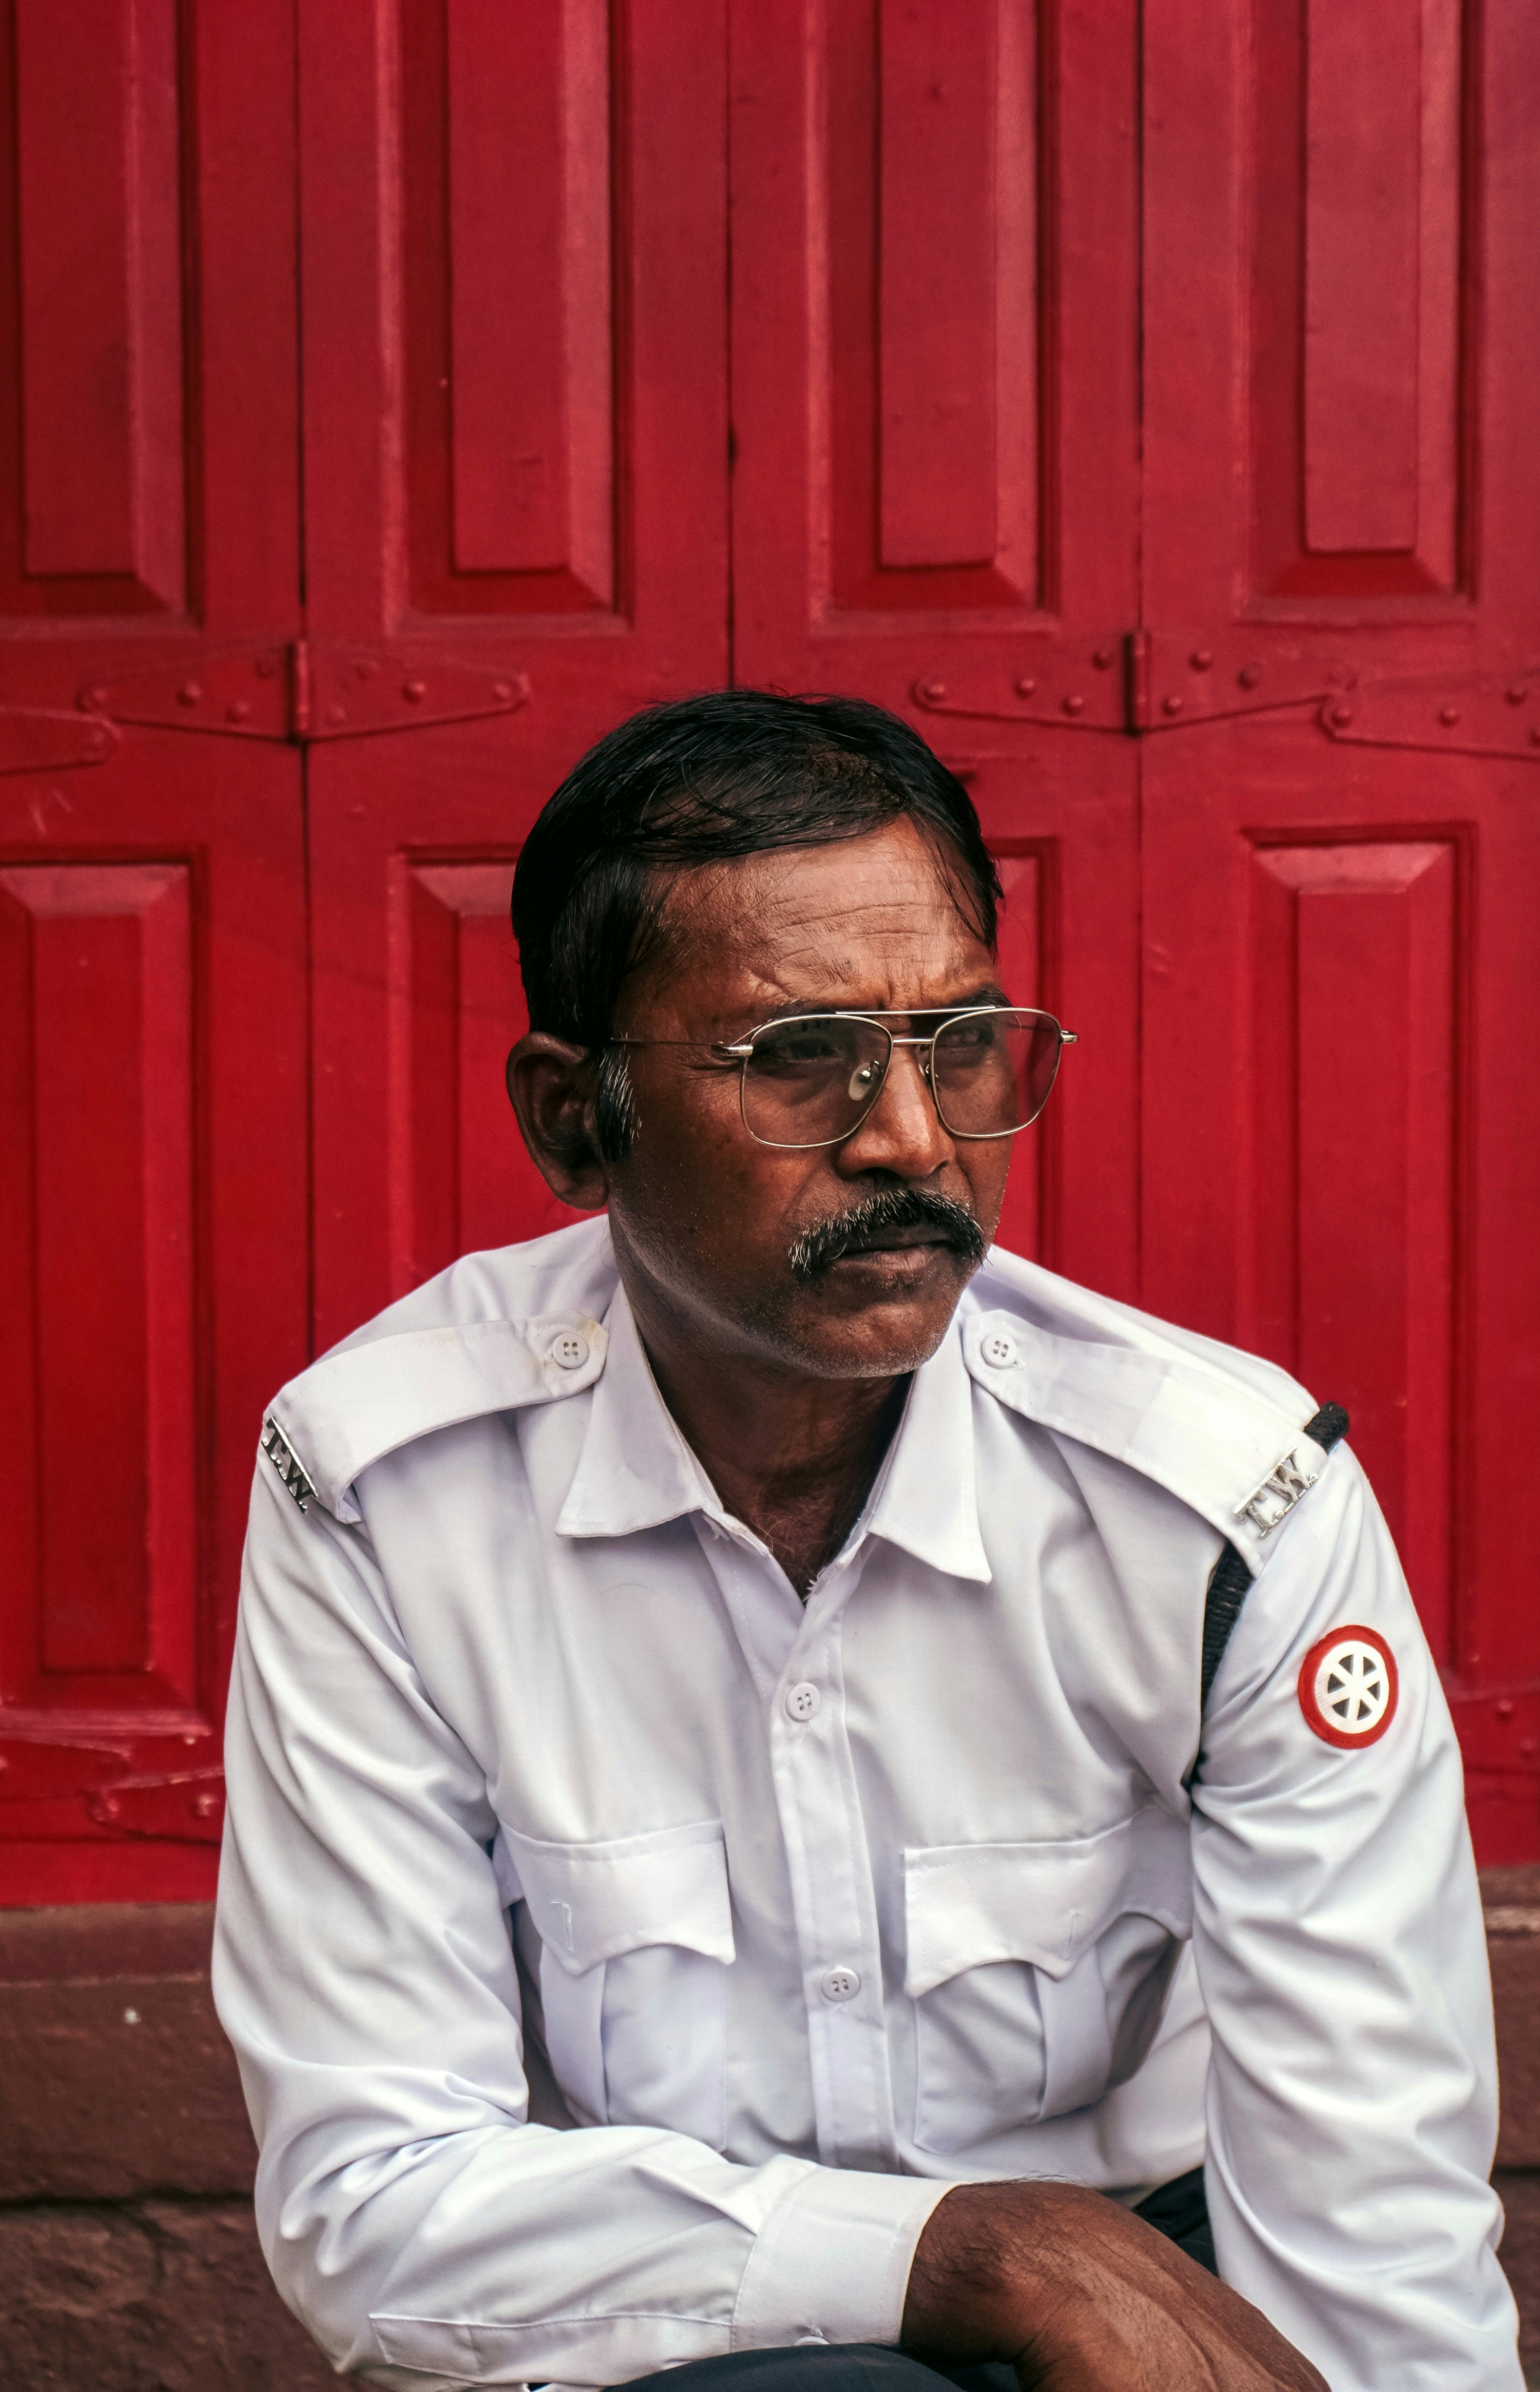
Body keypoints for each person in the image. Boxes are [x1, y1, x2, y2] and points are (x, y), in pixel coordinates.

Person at [214, 691, 1518, 2392]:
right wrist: (964, 2251)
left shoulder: (1221, 1507)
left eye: (961, 1042)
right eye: (796, 1057)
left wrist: (1086, 2270)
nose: (910, 1138)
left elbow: (1374, 2234)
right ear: (568, 1117)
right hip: (671, 2321)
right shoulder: (388, 1494)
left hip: (1163, 2298)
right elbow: (374, 2198)